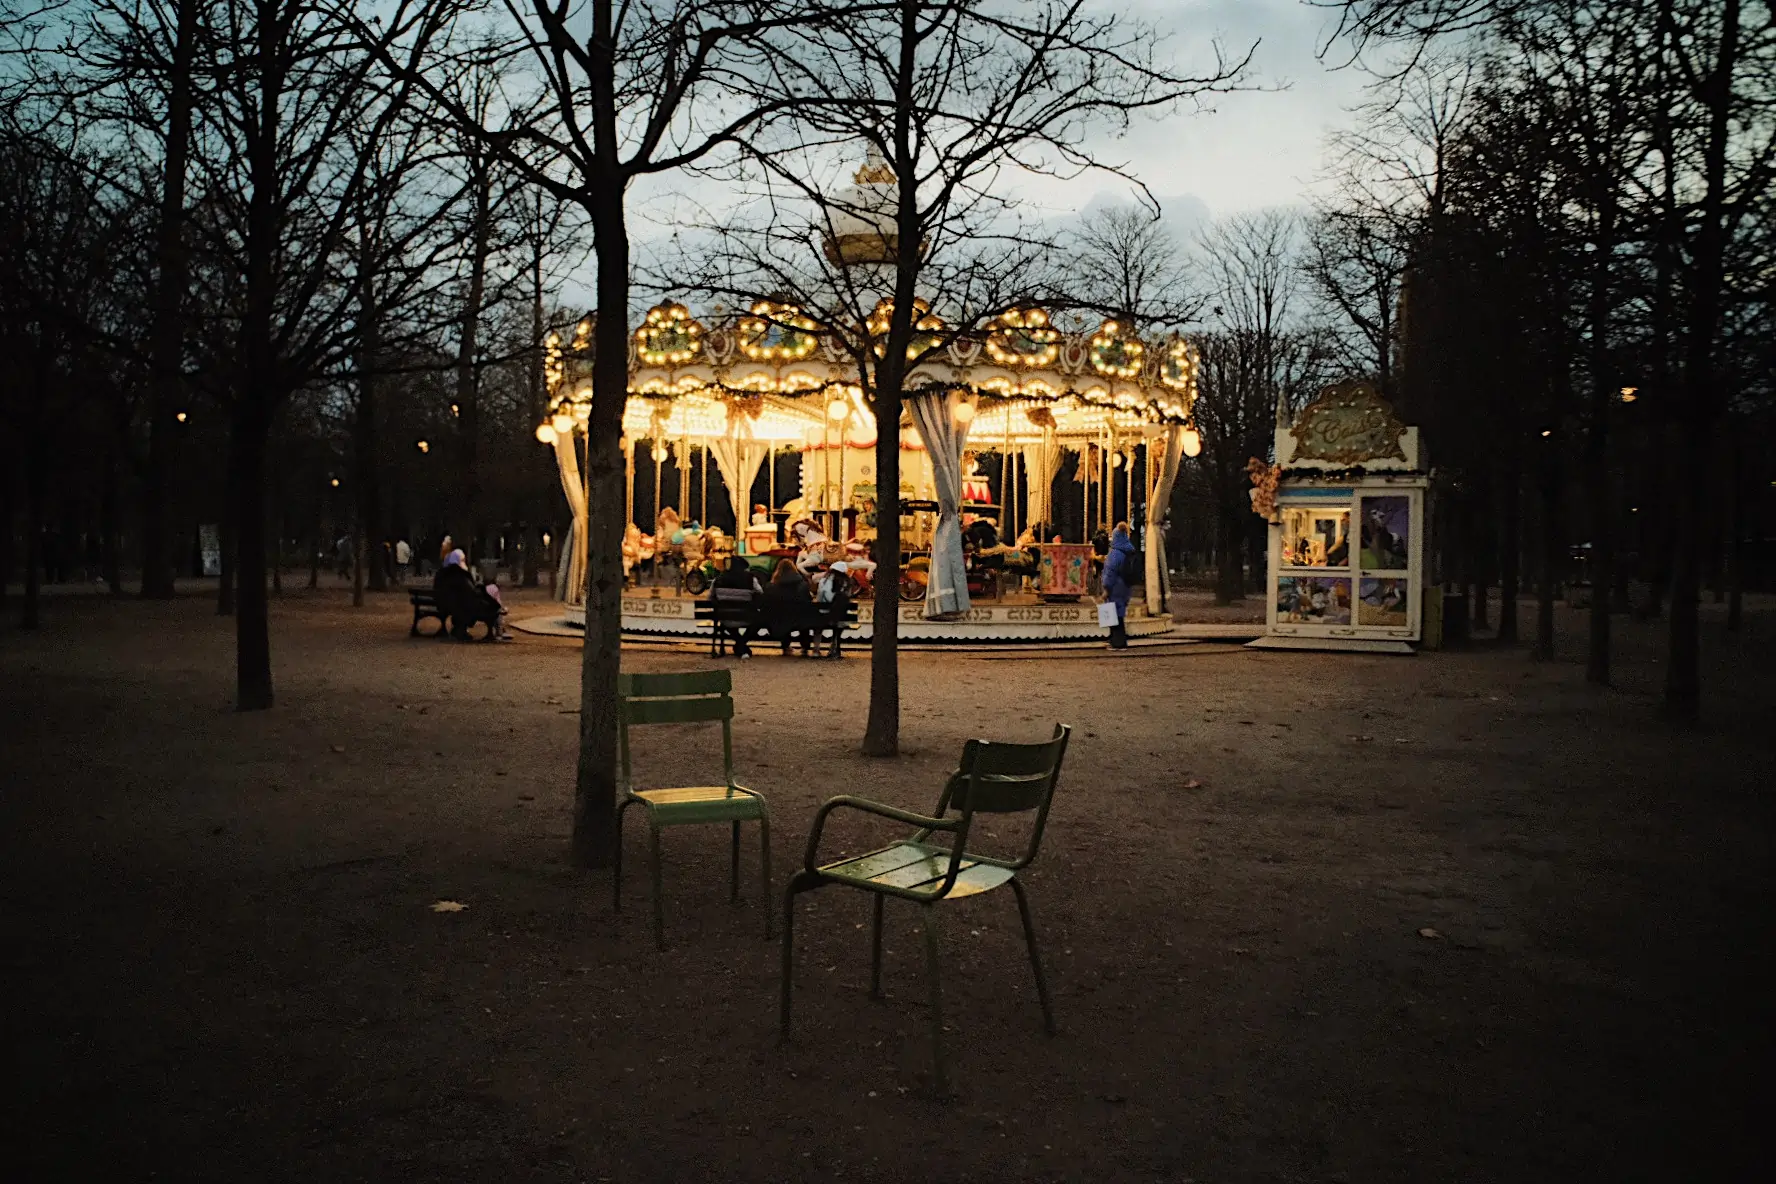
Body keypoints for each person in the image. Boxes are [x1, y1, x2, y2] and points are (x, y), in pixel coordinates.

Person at [711, 555, 763, 658]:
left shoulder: (718, 579)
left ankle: (740, 644)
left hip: (725, 617)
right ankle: (741, 645)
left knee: (728, 620)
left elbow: (710, 597)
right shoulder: (750, 579)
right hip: (746, 616)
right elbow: (760, 593)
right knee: (759, 621)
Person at [762, 558, 814, 656]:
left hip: (779, 620)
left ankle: (785, 646)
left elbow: (766, 602)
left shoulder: (772, 586)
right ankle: (805, 646)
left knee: (783, 615)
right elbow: (807, 601)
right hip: (799, 619)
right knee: (803, 616)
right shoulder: (802, 584)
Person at [1101, 521, 1137, 649]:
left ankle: (1117, 641)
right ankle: (1117, 640)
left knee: (1113, 614)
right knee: (1119, 612)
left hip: (1115, 586)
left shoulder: (1115, 553)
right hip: (1125, 586)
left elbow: (1110, 572)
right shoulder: (1128, 551)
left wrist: (1106, 587)